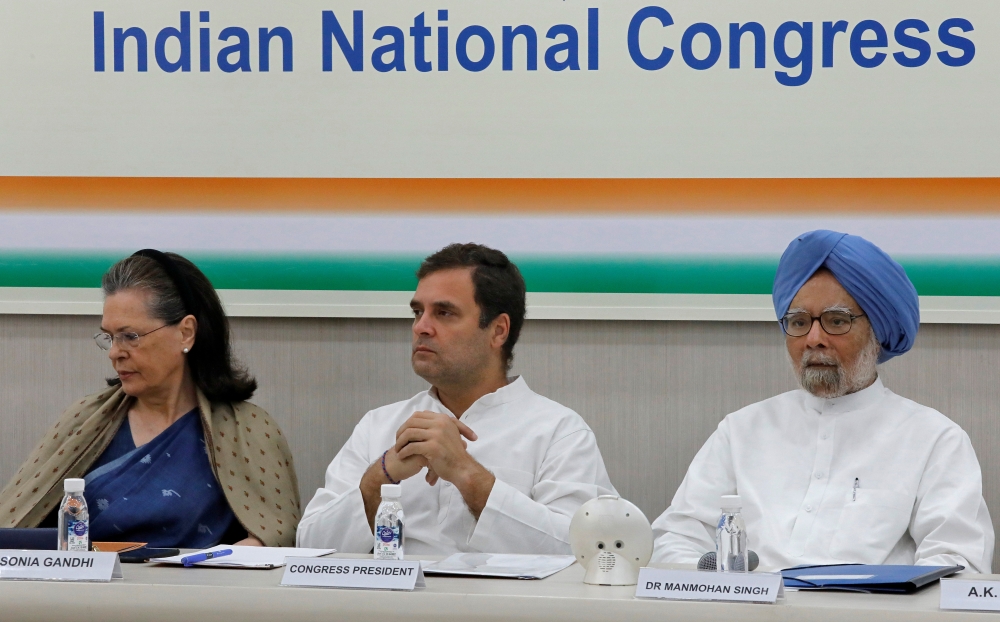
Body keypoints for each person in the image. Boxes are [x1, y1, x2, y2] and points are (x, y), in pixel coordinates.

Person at [651, 230, 994, 572]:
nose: (814, 339)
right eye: (799, 322)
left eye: (836, 321)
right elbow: (677, 539)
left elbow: (957, 564)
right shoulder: (741, 430)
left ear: (878, 332)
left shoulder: (934, 439)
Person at [297, 243, 616, 554]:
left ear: (498, 331)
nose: (421, 327)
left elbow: (585, 553)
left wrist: (467, 474)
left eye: (444, 313)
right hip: (391, 606)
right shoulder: (378, 426)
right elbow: (309, 547)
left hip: (502, 607)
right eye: (418, 312)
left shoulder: (560, 432)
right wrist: (379, 477)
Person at [0, 250, 301, 548]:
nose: (115, 352)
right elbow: (19, 525)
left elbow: (277, 534)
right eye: (109, 336)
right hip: (85, 591)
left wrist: (241, 554)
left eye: (130, 336)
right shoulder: (83, 420)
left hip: (199, 590)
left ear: (186, 333)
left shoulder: (248, 429)